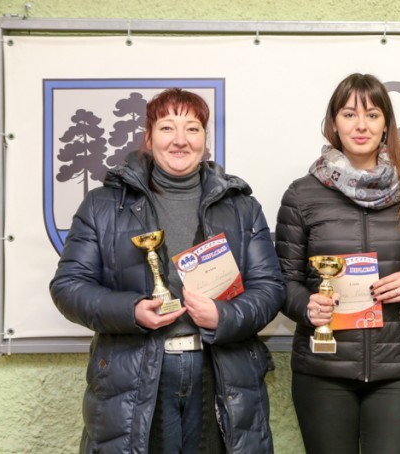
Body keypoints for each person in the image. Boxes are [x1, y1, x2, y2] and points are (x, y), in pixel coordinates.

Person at [50, 88, 285, 453]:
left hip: (220, 372)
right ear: (149, 137)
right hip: (136, 375)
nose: (180, 140)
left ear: (205, 140)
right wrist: (131, 311)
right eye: (166, 128)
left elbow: (269, 287)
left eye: (192, 128)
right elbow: (68, 286)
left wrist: (223, 316)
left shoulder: (241, 206)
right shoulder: (102, 205)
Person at [275, 73, 400, 454]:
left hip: (399, 369)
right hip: (324, 368)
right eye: (350, 114)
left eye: (372, 114)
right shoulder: (301, 195)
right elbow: (283, 281)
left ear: (386, 124)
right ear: (334, 123)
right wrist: (307, 306)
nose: (361, 125)